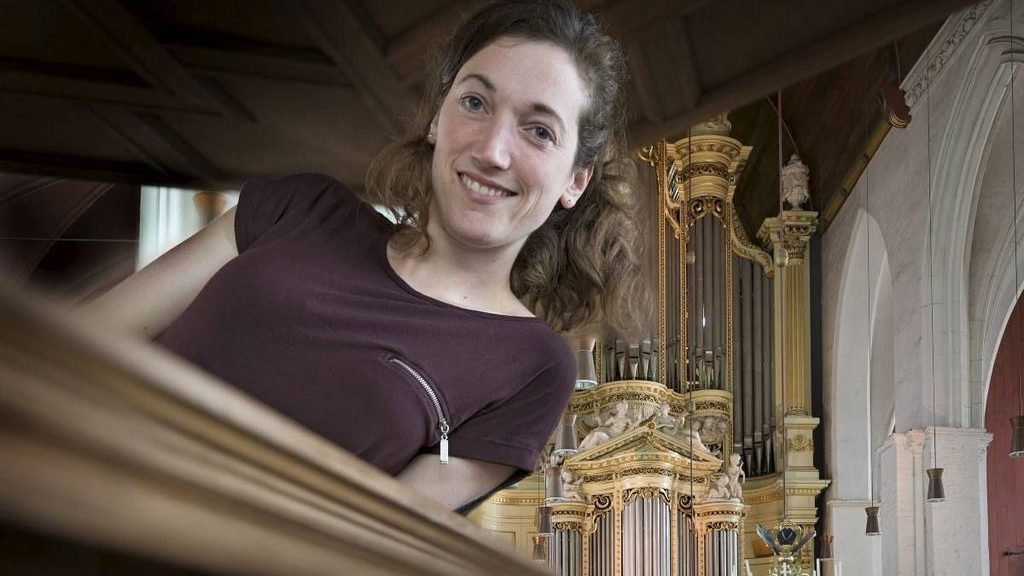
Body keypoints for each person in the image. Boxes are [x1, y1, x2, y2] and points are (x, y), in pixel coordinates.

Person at [84, 0, 644, 512]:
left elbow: (371, 534)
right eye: (475, 102)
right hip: (78, 472)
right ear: (437, 118)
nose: (493, 150)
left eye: (539, 131)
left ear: (575, 179)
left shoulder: (534, 368)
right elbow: (91, 336)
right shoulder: (297, 205)